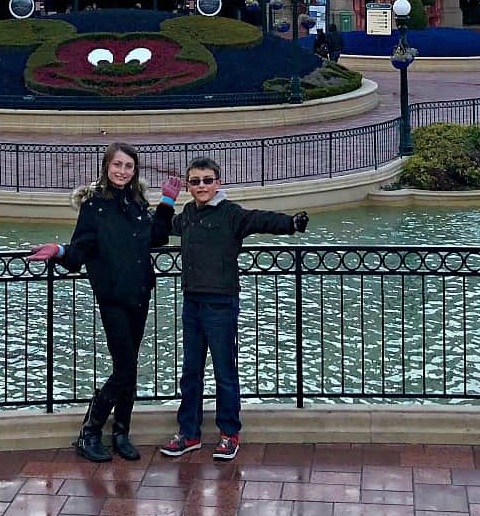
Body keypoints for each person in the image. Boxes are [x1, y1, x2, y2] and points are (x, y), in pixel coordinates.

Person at [157, 157, 309, 462]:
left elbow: (260, 219)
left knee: (225, 372)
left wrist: (291, 224)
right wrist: (165, 201)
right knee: (190, 372)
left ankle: (229, 433)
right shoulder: (186, 215)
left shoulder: (231, 214)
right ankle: (189, 434)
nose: (201, 186)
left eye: (207, 180)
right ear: (188, 186)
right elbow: (156, 231)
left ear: (218, 183)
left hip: (221, 304)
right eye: (195, 181)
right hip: (192, 302)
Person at [27, 143, 170, 463]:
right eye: (117, 164)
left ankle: (121, 431)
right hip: (113, 297)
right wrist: (60, 251)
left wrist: (168, 202)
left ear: (135, 171)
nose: (123, 171)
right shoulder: (94, 206)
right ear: (106, 166)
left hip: (139, 293)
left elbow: (156, 238)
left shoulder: (137, 203)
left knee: (129, 367)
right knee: (125, 368)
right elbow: (82, 248)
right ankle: (90, 430)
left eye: (129, 166)